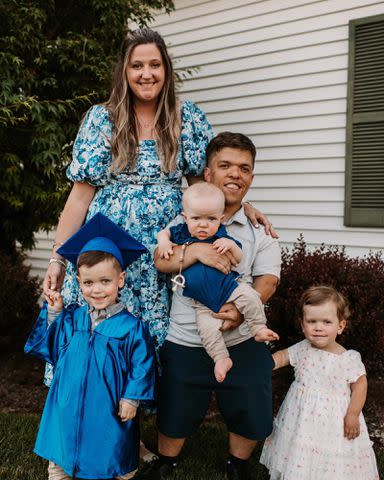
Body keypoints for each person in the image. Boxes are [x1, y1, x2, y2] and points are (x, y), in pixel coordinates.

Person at [42, 28, 276, 390]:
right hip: (108, 248)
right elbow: (78, 198)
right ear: (124, 70)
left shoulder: (189, 119)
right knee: (101, 328)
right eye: (137, 65)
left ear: (166, 69)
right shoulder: (100, 120)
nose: (146, 73)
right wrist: (58, 258)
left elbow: (205, 188)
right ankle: (99, 430)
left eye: (154, 64)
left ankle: (133, 424)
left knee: (147, 337)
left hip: (163, 252)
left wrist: (242, 207)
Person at [141, 132, 281, 480]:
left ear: (251, 177)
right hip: (187, 333)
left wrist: (239, 312)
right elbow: (161, 261)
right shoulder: (184, 219)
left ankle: (237, 464)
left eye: (244, 168)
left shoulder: (258, 229)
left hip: (240, 333)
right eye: (226, 165)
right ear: (207, 173)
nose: (236, 174)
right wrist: (194, 251)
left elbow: (267, 279)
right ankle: (167, 461)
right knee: (176, 402)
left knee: (250, 395)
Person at [24, 213, 155, 480]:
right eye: (88, 282)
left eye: (105, 281)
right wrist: (54, 313)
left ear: (120, 280)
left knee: (111, 453)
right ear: (79, 282)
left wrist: (131, 398)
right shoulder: (72, 317)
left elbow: (143, 366)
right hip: (67, 405)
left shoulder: (132, 328)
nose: (96, 290)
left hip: (108, 408)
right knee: (61, 457)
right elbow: (52, 347)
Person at [157, 182, 279, 382]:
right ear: (185, 217)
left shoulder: (222, 233)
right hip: (201, 303)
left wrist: (230, 244)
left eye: (211, 219)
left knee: (249, 296)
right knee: (207, 330)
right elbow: (164, 234)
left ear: (220, 219)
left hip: (229, 288)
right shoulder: (180, 232)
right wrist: (163, 241)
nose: (203, 224)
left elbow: (238, 257)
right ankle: (221, 358)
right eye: (196, 218)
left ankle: (258, 328)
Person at [260, 285, 379, 480]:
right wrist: (263, 365)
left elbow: (360, 385)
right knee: (301, 453)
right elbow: (282, 357)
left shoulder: (347, 358)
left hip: (333, 423)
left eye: (326, 322)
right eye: (312, 321)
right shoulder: (303, 348)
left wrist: (353, 414)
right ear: (302, 325)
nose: (318, 327)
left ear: (340, 326)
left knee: (330, 456)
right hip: (302, 418)